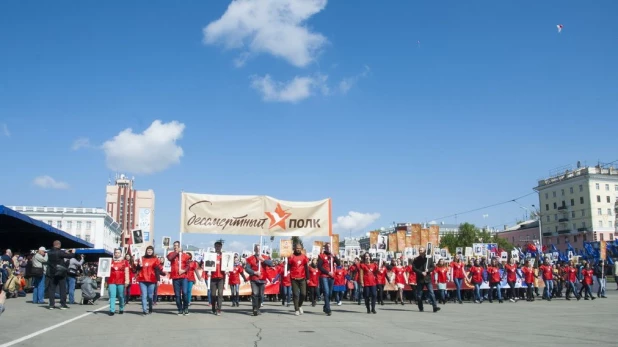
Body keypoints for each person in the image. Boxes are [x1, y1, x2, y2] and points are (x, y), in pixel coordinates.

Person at [245, 244, 274, 316]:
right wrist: (254, 272)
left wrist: (263, 260)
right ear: (254, 250)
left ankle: (258, 308)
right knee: (255, 294)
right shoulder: (250, 259)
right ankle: (255, 308)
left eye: (259, 249)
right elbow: (247, 268)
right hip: (254, 279)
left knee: (261, 295)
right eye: (256, 249)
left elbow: (271, 264)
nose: (258, 250)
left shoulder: (265, 257)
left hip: (262, 279)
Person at [46, 241, 76, 310]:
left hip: (52, 272)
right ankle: (63, 304)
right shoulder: (60, 252)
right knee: (62, 288)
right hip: (60, 272)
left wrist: (65, 251)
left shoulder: (49, 252)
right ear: (59, 245)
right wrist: (73, 252)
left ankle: (51, 305)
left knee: (52, 288)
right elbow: (70, 256)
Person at [135, 246, 162, 315]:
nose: (149, 251)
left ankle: (150, 307)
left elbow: (157, 270)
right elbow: (137, 269)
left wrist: (158, 279)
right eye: (148, 250)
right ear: (146, 251)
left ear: (152, 251)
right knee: (144, 295)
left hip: (151, 279)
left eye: (150, 250)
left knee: (150, 296)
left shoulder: (155, 259)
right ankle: (144, 310)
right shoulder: (142, 259)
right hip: (142, 279)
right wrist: (139, 265)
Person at [166, 241, 191, 315]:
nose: (175, 247)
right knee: (177, 294)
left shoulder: (185, 256)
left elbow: (188, 266)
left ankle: (185, 308)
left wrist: (183, 270)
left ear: (180, 246)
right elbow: (170, 258)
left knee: (185, 293)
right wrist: (177, 253)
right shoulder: (171, 254)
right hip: (175, 277)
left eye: (177, 245)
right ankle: (179, 309)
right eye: (174, 245)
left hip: (184, 277)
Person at [412, 247, 440, 312]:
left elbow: (433, 267)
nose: (420, 251)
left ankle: (435, 306)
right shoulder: (416, 259)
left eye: (421, 250)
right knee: (419, 295)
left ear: (424, 251)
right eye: (419, 250)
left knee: (431, 293)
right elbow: (413, 268)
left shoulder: (429, 258)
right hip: (420, 279)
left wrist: (428, 270)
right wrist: (421, 272)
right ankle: (420, 307)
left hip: (427, 278)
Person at [317, 243, 341, 316]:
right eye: (327, 247)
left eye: (330, 247)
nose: (328, 248)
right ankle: (328, 309)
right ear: (325, 248)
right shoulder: (322, 256)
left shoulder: (332, 256)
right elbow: (319, 266)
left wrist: (335, 256)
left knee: (330, 293)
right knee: (326, 292)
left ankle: (325, 306)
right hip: (324, 276)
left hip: (331, 277)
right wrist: (327, 272)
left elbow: (339, 263)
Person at [288, 243, 309, 316]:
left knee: (303, 294)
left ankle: (299, 305)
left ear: (301, 249)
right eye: (297, 248)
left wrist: (308, 278)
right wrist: (286, 270)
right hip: (294, 278)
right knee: (295, 294)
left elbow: (306, 268)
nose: (298, 249)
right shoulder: (291, 257)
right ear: (294, 248)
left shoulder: (304, 257)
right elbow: (288, 266)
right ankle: (296, 309)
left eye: (299, 248)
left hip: (302, 278)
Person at [108, 249, 130, 316]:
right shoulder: (110, 261)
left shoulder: (125, 262)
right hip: (112, 281)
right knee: (112, 295)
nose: (117, 254)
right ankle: (112, 310)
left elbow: (127, 272)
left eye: (118, 252)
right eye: (116, 253)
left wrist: (127, 281)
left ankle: (121, 308)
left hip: (121, 281)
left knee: (121, 296)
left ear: (121, 254)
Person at [210, 241, 226, 316]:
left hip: (221, 278)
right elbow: (205, 264)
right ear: (214, 247)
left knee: (220, 294)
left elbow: (228, 265)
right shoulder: (211, 256)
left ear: (221, 247)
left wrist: (227, 270)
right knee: (213, 294)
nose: (218, 248)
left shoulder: (224, 256)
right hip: (213, 277)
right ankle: (213, 307)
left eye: (219, 246)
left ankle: (219, 309)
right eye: (216, 246)